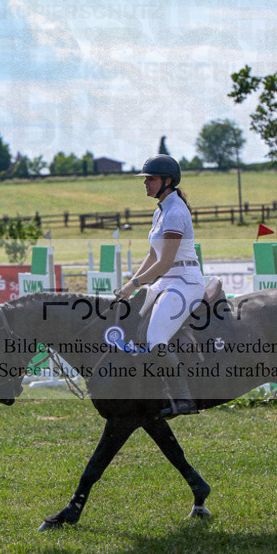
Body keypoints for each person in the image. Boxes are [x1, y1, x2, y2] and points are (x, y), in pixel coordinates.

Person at [114, 155, 205, 416]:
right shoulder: (161, 210)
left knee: (155, 339)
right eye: (145, 179)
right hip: (167, 281)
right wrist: (131, 282)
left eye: (150, 179)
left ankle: (184, 398)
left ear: (167, 181)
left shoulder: (176, 212)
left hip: (185, 282)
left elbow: (164, 262)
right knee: (133, 327)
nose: (145, 183)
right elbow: (153, 255)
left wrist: (133, 285)